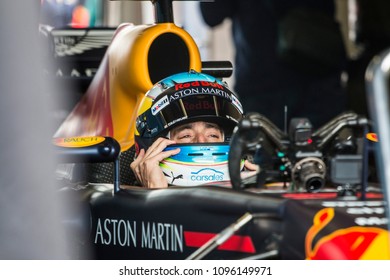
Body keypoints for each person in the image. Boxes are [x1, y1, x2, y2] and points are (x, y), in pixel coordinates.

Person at [199, 0, 347, 130]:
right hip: (318, 70)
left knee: (264, 156)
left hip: (263, 83)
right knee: (322, 155)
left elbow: (211, 14)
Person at [130, 71, 258, 188]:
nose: (201, 141)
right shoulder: (125, 205)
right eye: (186, 135)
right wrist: (155, 193)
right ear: (152, 144)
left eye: (212, 135)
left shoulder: (251, 190)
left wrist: (255, 189)